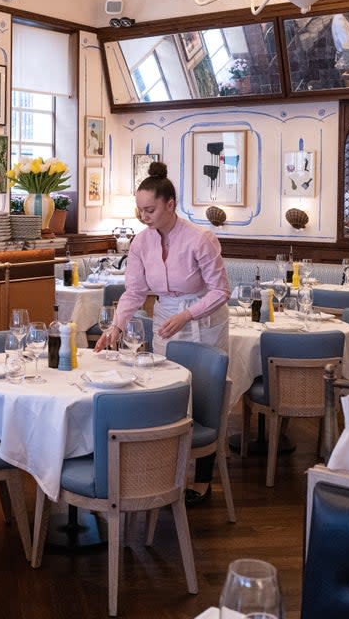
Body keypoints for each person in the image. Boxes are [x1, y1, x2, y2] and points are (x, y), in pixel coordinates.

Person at [94, 161, 230, 506]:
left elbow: (220, 291)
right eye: (139, 210)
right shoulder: (140, 243)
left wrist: (188, 314)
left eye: (150, 209)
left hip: (203, 318)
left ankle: (202, 479)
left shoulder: (201, 239)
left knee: (202, 396)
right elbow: (135, 292)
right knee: (168, 390)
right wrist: (117, 326)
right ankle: (167, 473)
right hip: (167, 316)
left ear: (171, 204)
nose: (144, 216)